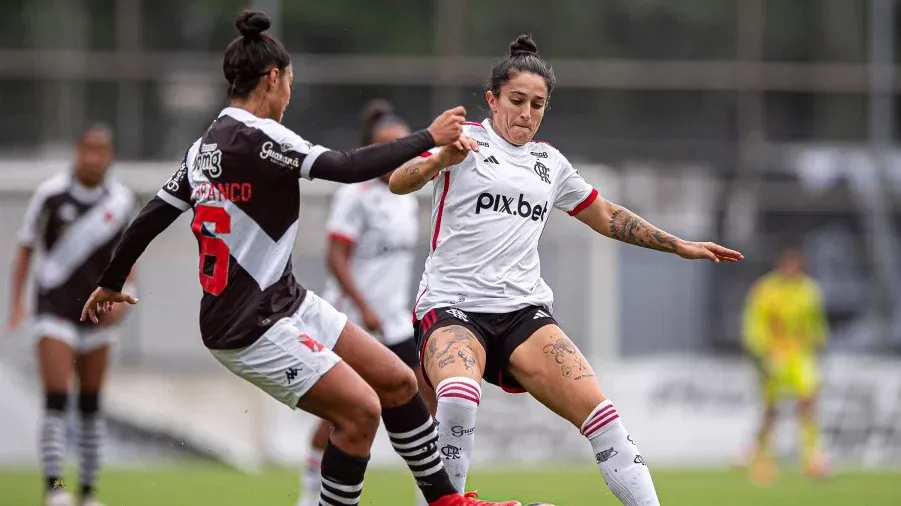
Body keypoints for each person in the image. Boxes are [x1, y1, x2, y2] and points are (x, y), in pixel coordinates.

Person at [79, 11, 519, 506]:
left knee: (398, 381)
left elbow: (149, 217)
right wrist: (428, 137)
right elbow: (347, 168)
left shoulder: (202, 149)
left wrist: (111, 279)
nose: (288, 95)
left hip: (281, 301)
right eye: (289, 82)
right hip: (247, 326)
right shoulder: (264, 137)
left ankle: (446, 502)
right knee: (359, 413)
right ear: (273, 78)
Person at [389, 34, 744, 506]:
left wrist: (678, 245)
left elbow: (607, 216)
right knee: (456, 396)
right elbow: (398, 181)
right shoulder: (464, 143)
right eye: (517, 101)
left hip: (522, 313)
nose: (527, 114)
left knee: (604, 418)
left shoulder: (549, 163)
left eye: (538, 105)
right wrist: (439, 156)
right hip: (453, 308)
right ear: (492, 100)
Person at [297, 99, 434, 506]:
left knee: (423, 402)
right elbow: (335, 258)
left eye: (402, 144)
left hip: (393, 322)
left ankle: (430, 495)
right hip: (353, 320)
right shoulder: (354, 195)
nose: (396, 152)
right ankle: (308, 495)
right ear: (372, 148)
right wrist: (365, 305)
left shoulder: (406, 195)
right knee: (342, 414)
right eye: (387, 144)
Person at [7, 124, 137, 506]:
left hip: (98, 314)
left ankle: (88, 493)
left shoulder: (122, 201)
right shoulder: (50, 195)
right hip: (54, 310)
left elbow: (128, 260)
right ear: (76, 152)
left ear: (110, 155)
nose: (93, 158)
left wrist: (127, 295)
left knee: (91, 404)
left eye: (101, 150)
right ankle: (56, 490)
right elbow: (26, 248)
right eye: (87, 150)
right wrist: (16, 302)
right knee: (57, 398)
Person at [739, 247, 830, 485]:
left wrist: (818, 340)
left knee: (808, 402)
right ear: (780, 265)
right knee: (771, 409)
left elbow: (816, 324)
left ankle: (812, 457)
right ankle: (762, 456)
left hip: (800, 355)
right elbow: (754, 323)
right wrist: (760, 351)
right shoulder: (765, 289)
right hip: (774, 354)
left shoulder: (809, 290)